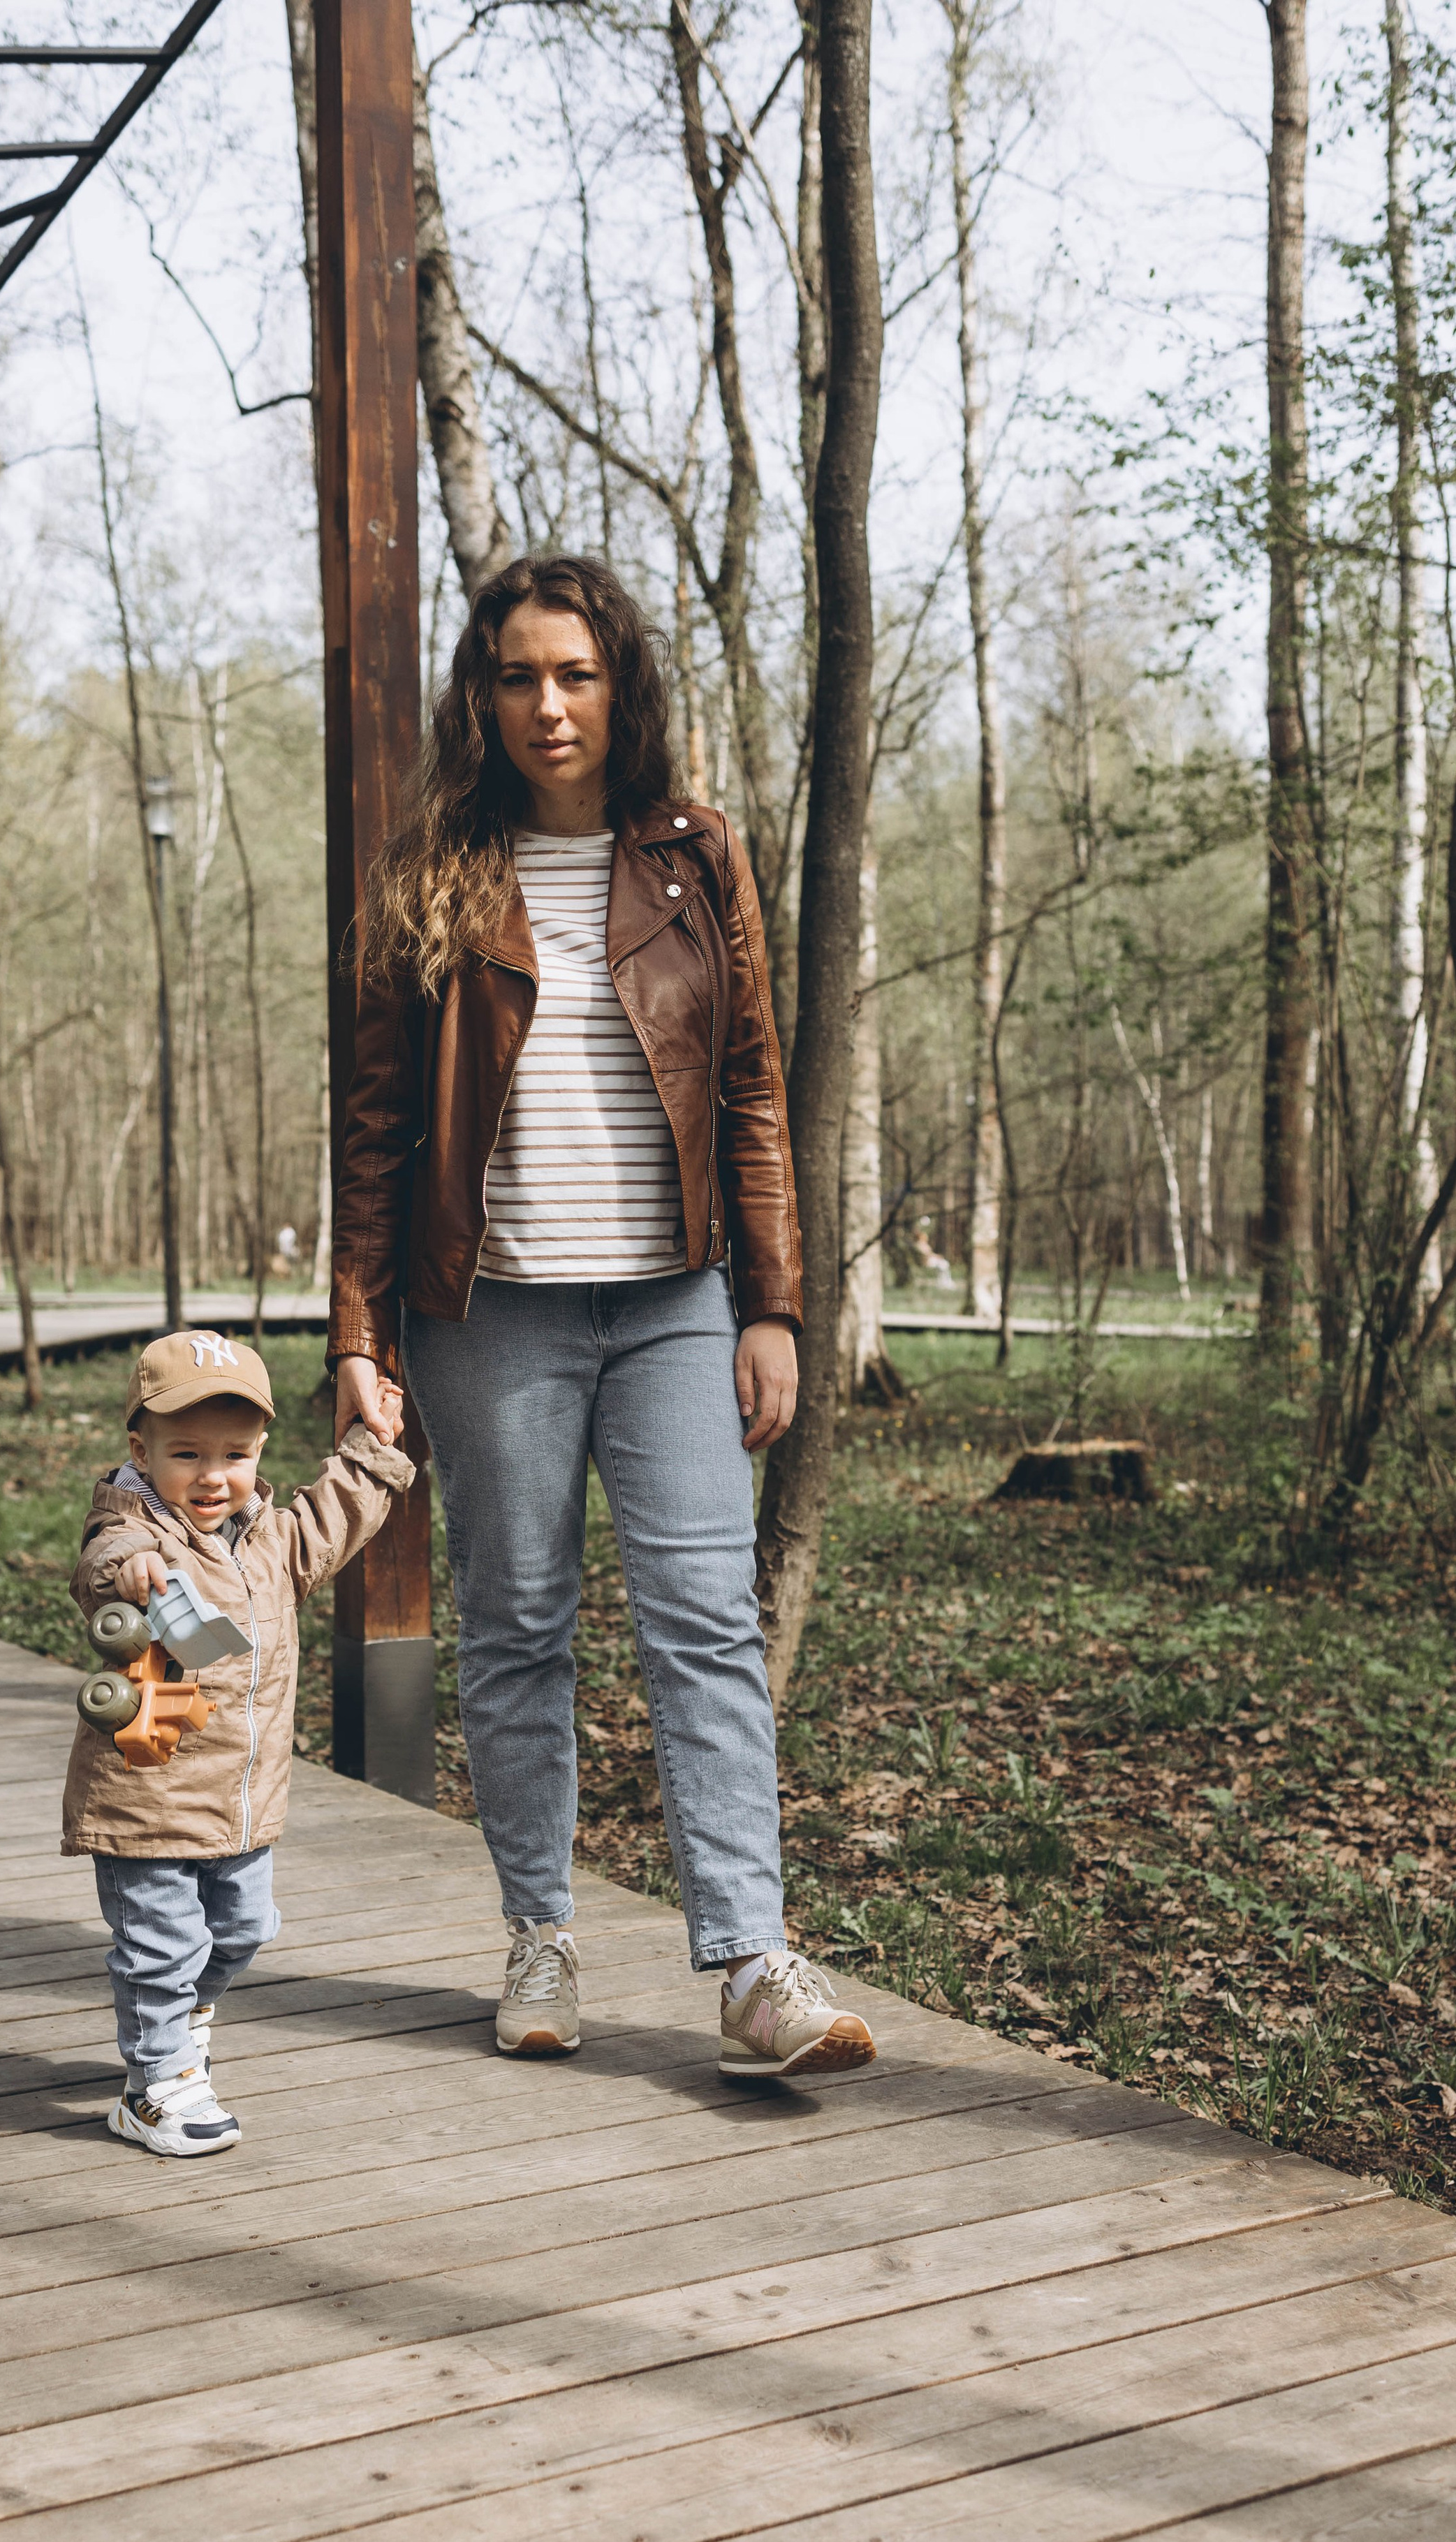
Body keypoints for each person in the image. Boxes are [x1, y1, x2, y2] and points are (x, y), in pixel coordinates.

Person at [328, 552, 877, 2083]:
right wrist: (359, 1337)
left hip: (671, 1303)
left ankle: (753, 1964)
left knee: (702, 1618)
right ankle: (538, 1938)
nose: (547, 703)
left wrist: (771, 1304)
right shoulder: (431, 871)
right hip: (486, 1310)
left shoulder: (695, 860)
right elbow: (376, 1126)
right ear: (480, 694)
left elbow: (755, 1087)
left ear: (618, 684)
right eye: (517, 675)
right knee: (516, 1626)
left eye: (573, 673)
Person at [63, 1329, 415, 2157]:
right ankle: (155, 2087)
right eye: (185, 1453)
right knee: (163, 1946)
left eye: (235, 1454)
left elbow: (334, 1518)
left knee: (246, 1929)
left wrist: (371, 1450)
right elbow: (103, 1562)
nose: (212, 1475)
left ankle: (184, 2021)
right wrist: (134, 1573)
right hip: (147, 1797)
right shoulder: (131, 1527)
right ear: (140, 1451)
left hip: (242, 1800)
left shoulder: (269, 1543)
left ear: (260, 1453)